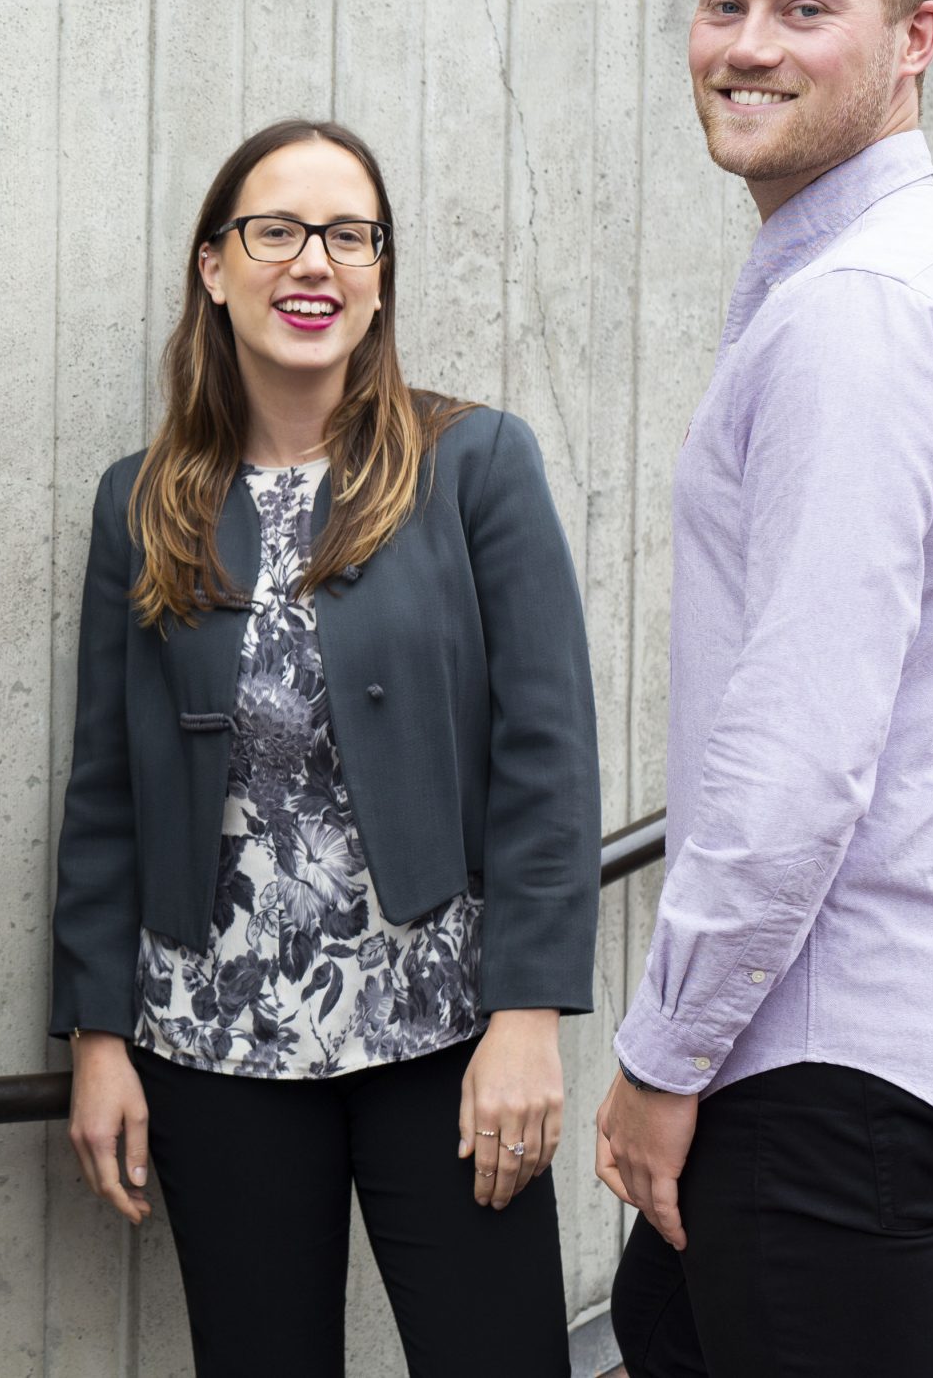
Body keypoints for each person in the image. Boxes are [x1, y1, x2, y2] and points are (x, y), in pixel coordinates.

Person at [598, 0, 933, 1378]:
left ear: (917, 36)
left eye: (807, 8)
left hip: (817, 1045)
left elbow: (798, 752)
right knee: (665, 1331)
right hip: (837, 1043)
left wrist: (662, 1051)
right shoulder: (905, 275)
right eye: (723, 2)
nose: (746, 45)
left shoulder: (860, 309)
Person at [52, 119, 601, 1377]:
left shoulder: (475, 463)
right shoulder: (141, 500)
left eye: (350, 235)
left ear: (379, 271)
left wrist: (527, 1015)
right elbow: (106, 787)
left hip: (441, 1030)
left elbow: (547, 756)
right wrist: (96, 1036)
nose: (315, 262)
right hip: (214, 1040)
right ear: (213, 266)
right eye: (277, 232)